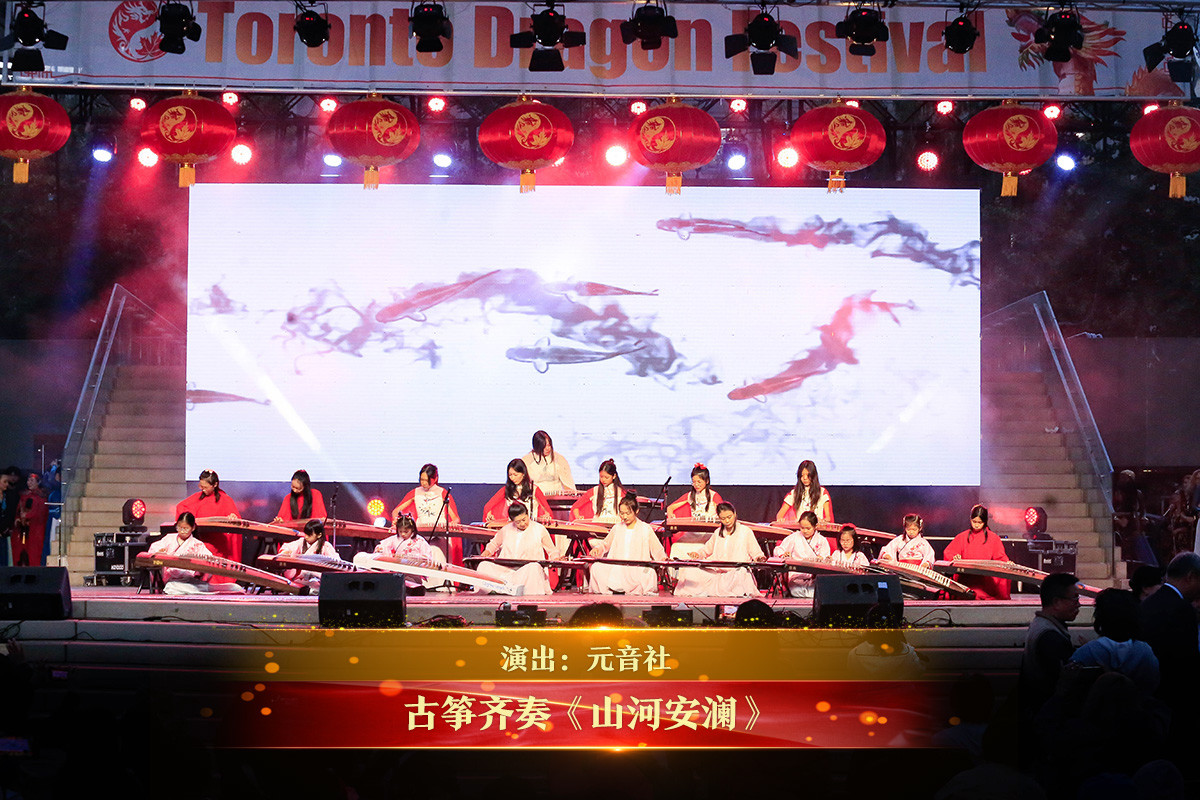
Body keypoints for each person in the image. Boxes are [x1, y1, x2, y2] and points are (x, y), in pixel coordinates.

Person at [1069, 588, 1159, 694]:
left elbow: (1070, 688)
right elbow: (1153, 684)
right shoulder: (1145, 652)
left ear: (1100, 616)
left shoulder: (1087, 653)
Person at [1018, 571, 1081, 712]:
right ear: (1056, 602)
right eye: (1075, 599)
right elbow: (1060, 683)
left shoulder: (1042, 625)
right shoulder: (1050, 636)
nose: (1079, 605)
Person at [673, 501, 765, 597]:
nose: (727, 521)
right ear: (719, 519)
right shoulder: (717, 532)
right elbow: (706, 550)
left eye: (729, 517)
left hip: (734, 572)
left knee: (741, 574)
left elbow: (756, 552)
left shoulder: (745, 531)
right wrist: (697, 554)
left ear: (734, 514)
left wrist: (759, 558)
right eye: (723, 518)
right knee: (690, 571)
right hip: (715, 573)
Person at [147, 512, 244, 595]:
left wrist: (199, 569)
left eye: (186, 528)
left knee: (175, 587)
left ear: (193, 528)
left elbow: (208, 560)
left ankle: (208, 588)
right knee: (170, 587)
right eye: (179, 528)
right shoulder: (169, 538)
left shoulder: (197, 544)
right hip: (171, 580)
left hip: (189, 580)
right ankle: (205, 590)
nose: (182, 531)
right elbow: (153, 550)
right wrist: (159, 553)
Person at [588, 496, 666, 595]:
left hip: (637, 568)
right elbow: (605, 544)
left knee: (649, 573)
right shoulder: (617, 528)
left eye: (628, 513)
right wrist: (598, 549)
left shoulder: (645, 528)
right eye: (622, 513)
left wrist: (663, 558)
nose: (624, 517)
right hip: (617, 567)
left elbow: (657, 549)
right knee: (596, 567)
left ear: (636, 511)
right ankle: (611, 590)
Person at [476, 503, 560, 595]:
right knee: (483, 566)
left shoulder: (539, 529)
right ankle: (497, 590)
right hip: (506, 569)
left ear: (528, 515)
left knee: (534, 568)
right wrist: (488, 551)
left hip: (526, 570)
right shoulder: (506, 529)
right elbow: (494, 544)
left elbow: (552, 550)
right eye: (518, 522)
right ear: (513, 521)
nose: (522, 524)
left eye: (524, 519)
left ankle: (523, 594)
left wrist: (556, 558)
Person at [357, 513, 448, 591]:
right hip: (397, 571)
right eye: (400, 531)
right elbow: (382, 546)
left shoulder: (420, 541)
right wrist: (381, 550)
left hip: (413, 572)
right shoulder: (394, 539)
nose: (403, 534)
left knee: (409, 582)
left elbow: (426, 556)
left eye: (406, 531)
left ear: (412, 529)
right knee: (393, 581)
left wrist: (415, 559)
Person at [392, 464, 462, 564]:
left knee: (437, 557)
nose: (423, 483)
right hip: (420, 532)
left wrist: (453, 523)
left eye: (426, 480)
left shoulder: (442, 493)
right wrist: (397, 521)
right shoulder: (415, 492)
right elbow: (396, 511)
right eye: (422, 480)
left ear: (435, 478)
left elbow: (455, 518)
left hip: (439, 532)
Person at [944, 505, 1012, 600]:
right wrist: (955, 557)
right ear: (970, 519)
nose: (976, 525)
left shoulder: (993, 538)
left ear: (985, 522)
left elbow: (1000, 557)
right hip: (966, 578)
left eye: (979, 522)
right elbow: (949, 552)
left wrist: (1007, 562)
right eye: (974, 521)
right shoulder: (962, 537)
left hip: (985, 578)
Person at [175, 469, 241, 564]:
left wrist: (233, 517)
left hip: (218, 543)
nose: (203, 489)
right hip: (201, 540)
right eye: (201, 486)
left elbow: (235, 517)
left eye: (205, 487)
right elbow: (181, 507)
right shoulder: (197, 497)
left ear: (215, 485)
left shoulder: (226, 499)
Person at [772, 510, 831, 598]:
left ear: (815, 526)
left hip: (815, 576)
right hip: (797, 576)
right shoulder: (794, 537)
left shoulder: (821, 540)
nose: (805, 531)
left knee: (819, 590)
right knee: (796, 590)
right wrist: (784, 555)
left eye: (808, 528)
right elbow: (778, 549)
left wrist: (822, 558)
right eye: (802, 528)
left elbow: (825, 556)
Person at [276, 518, 339, 594]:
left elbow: (336, 561)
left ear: (319, 535)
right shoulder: (301, 542)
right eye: (305, 534)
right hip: (302, 579)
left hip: (318, 578)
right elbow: (288, 547)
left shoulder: (326, 546)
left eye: (309, 535)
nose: (306, 537)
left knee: (316, 584)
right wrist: (286, 552)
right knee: (296, 584)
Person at [482, 459, 551, 524]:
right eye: (510, 475)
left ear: (523, 474)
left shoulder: (534, 489)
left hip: (530, 526)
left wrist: (546, 515)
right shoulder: (506, 489)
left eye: (515, 475)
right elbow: (488, 506)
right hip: (511, 526)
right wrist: (489, 514)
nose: (512, 478)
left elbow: (546, 510)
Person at [521, 430, 575, 495]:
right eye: (544, 446)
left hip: (556, 496)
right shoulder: (526, 460)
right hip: (536, 497)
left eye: (549, 445)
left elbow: (568, 483)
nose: (547, 448)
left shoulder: (559, 459)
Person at [13, 472, 48, 567]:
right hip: (23, 528)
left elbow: (40, 512)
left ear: (38, 482)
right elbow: (19, 510)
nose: (29, 482)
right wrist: (18, 518)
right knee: (21, 550)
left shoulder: (41, 497)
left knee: (34, 551)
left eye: (32, 480)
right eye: (28, 480)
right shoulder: (24, 495)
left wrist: (27, 516)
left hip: (35, 529)